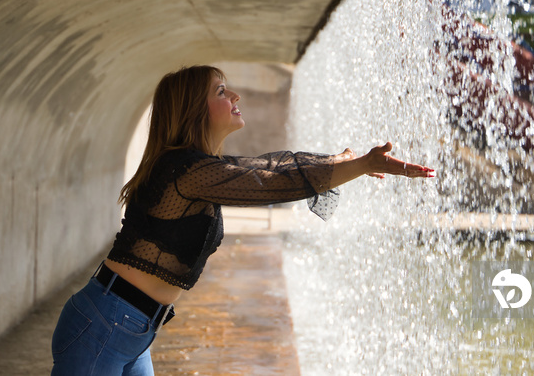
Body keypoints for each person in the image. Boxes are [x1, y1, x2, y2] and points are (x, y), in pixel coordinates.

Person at [50, 65, 434, 375]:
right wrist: (359, 165)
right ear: (192, 109)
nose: (234, 96)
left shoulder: (201, 168)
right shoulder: (183, 171)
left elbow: (265, 166)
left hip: (132, 330)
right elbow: (268, 182)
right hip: (104, 325)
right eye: (220, 91)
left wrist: (346, 163)